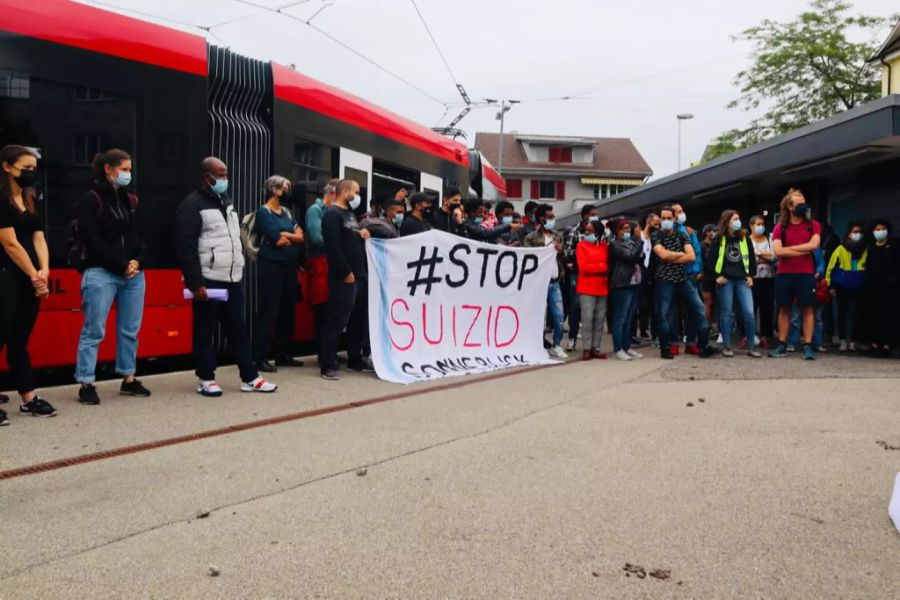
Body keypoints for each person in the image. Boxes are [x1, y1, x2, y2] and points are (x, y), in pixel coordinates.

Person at [176, 157, 277, 396]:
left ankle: (249, 377)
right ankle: (205, 378)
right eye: (220, 176)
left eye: (226, 175)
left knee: (238, 329)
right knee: (205, 329)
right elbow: (185, 247)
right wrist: (196, 283)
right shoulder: (191, 205)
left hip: (232, 279)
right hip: (208, 280)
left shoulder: (227, 203)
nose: (224, 180)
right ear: (207, 177)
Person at [74, 149, 151, 405]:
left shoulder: (130, 200)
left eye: (130, 169)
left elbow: (141, 236)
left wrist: (137, 261)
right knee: (94, 330)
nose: (128, 174)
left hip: (132, 274)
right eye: (125, 169)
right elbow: (91, 239)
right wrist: (121, 265)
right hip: (101, 273)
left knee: (130, 330)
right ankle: (86, 382)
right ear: (109, 169)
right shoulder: (91, 199)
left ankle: (128, 378)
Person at [0, 145, 55, 420]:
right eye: (26, 169)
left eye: (34, 169)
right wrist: (35, 275)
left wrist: (44, 270)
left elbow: (38, 237)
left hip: (29, 277)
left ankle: (28, 398)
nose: (31, 174)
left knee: (19, 339)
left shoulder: (32, 198)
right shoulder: (1, 198)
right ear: (7, 167)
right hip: (6, 275)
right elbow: (9, 243)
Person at [320, 179, 373, 380]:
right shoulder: (332, 215)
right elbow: (332, 247)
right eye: (356, 191)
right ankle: (328, 365)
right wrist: (345, 272)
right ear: (345, 192)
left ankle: (354, 359)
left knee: (357, 321)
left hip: (359, 276)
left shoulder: (349, 214)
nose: (358, 195)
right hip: (344, 277)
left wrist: (362, 233)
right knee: (337, 320)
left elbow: (349, 237)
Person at [252, 175, 304, 373]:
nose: (287, 192)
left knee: (287, 311)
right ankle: (260, 357)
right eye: (284, 188)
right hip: (271, 267)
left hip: (289, 267)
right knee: (268, 311)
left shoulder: (287, 213)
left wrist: (288, 235)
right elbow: (277, 240)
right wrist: (291, 236)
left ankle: (283, 354)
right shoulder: (264, 213)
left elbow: (301, 236)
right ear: (273, 189)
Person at [651, 206, 718, 360]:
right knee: (664, 315)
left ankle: (703, 347)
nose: (666, 221)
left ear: (674, 219)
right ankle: (665, 348)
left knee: (699, 309)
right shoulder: (656, 235)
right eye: (663, 218)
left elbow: (692, 257)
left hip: (683, 279)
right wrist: (680, 254)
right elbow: (662, 254)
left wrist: (671, 255)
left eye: (669, 218)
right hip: (664, 280)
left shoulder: (683, 235)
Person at [768, 189, 821, 360]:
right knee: (784, 309)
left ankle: (807, 346)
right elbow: (777, 251)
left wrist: (788, 250)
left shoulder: (813, 225)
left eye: (804, 203)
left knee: (808, 309)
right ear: (790, 207)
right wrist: (802, 248)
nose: (803, 206)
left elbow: (813, 246)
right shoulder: (780, 227)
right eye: (799, 204)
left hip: (806, 273)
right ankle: (782, 345)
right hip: (785, 274)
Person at [707, 210, 760, 358]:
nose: (738, 221)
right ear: (727, 222)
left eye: (738, 218)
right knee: (726, 313)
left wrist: (751, 275)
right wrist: (716, 276)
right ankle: (727, 346)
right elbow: (710, 260)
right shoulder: (719, 238)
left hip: (742, 279)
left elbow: (751, 257)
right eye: (735, 219)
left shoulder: (744, 238)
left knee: (749, 313)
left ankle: (751, 346)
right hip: (726, 280)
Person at [523, 204, 567, 359]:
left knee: (559, 316)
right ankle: (537, 345)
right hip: (538, 283)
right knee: (537, 316)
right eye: (549, 217)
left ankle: (556, 345)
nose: (552, 220)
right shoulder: (531, 238)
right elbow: (528, 258)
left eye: (553, 217)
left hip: (555, 282)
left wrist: (561, 251)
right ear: (541, 218)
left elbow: (564, 256)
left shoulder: (557, 236)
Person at [305, 178, 338, 365]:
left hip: (329, 265)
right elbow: (316, 238)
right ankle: (323, 353)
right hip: (320, 264)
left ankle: (328, 351)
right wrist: (339, 246)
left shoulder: (331, 211)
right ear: (332, 193)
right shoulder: (315, 211)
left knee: (330, 309)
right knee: (323, 309)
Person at [825, 222, 867, 352]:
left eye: (859, 232)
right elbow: (831, 269)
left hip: (859, 284)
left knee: (857, 313)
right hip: (842, 285)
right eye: (854, 232)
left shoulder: (866, 249)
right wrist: (830, 286)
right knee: (842, 313)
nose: (857, 234)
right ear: (848, 234)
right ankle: (843, 340)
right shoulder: (840, 249)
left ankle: (853, 340)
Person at [563, 205, 599, 351]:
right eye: (592, 214)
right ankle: (572, 339)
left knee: (595, 309)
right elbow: (567, 251)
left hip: (595, 274)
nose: (594, 217)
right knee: (576, 307)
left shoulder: (600, 232)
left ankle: (592, 343)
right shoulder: (575, 231)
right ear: (584, 215)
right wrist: (582, 250)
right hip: (579, 273)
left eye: (596, 214)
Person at [671, 203, 705, 354]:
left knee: (694, 310)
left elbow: (697, 252)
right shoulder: (668, 231)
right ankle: (673, 343)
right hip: (673, 276)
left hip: (690, 276)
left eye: (682, 210)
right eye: (678, 212)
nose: (682, 214)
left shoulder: (690, 231)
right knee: (673, 311)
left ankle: (691, 342)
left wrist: (698, 270)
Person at [573, 222, 610, 360]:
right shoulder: (581, 245)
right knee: (587, 318)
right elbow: (584, 267)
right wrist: (602, 266)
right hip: (587, 286)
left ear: (598, 232)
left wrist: (598, 267)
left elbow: (607, 265)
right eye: (586, 229)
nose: (586, 232)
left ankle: (596, 347)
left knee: (599, 319)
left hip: (602, 286)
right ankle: (586, 348)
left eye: (590, 230)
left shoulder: (604, 246)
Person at [609, 219, 644, 361]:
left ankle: (627, 346)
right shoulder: (615, 244)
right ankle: (618, 349)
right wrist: (640, 242)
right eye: (624, 229)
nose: (627, 232)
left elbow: (640, 256)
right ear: (616, 231)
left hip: (634, 283)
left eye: (628, 229)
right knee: (620, 318)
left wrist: (637, 246)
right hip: (621, 284)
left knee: (629, 317)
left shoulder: (630, 242)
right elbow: (630, 257)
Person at [863, 218, 897, 357]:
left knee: (888, 315)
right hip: (873, 287)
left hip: (890, 287)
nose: (880, 231)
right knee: (873, 314)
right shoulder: (871, 247)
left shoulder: (893, 246)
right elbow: (868, 265)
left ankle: (887, 344)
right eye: (877, 229)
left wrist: (892, 279)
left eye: (883, 228)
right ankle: (875, 343)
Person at [749, 215, 776, 348]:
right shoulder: (746, 240)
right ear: (751, 226)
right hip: (752, 279)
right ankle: (749, 335)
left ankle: (766, 336)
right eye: (758, 224)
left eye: (763, 224)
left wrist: (758, 254)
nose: (761, 227)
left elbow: (774, 257)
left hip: (768, 278)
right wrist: (765, 256)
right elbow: (748, 260)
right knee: (751, 308)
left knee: (767, 309)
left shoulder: (770, 239)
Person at [633, 212, 659, 344]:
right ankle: (635, 334)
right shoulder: (639, 238)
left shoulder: (656, 239)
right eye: (656, 223)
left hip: (652, 276)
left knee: (654, 307)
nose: (658, 226)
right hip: (639, 275)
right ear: (649, 222)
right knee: (638, 306)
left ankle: (654, 334)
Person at [699, 223, 717, 331]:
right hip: (706, 277)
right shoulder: (702, 246)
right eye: (712, 231)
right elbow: (700, 261)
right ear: (707, 233)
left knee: (717, 302)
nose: (714, 233)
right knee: (708, 301)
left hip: (717, 276)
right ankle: (708, 325)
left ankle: (715, 325)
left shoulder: (717, 244)